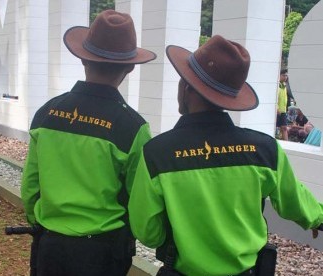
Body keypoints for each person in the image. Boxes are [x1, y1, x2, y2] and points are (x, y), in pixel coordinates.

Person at [128, 35, 323, 276]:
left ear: (186, 87)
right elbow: (294, 202)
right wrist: (317, 218)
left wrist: (174, 235)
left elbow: (145, 229)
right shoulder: (265, 150)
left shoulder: (158, 154)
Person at [20, 10, 156, 276]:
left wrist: (38, 221)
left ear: (83, 59)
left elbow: (30, 186)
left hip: (51, 245)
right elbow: (138, 200)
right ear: (129, 67)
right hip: (103, 252)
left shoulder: (47, 113)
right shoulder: (132, 127)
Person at [276, 69, 288, 140]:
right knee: (275, 127)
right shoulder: (277, 85)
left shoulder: (284, 85)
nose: (285, 77)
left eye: (286, 76)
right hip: (277, 110)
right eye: (283, 75)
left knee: (284, 128)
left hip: (283, 110)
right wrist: (277, 108)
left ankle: (287, 144)